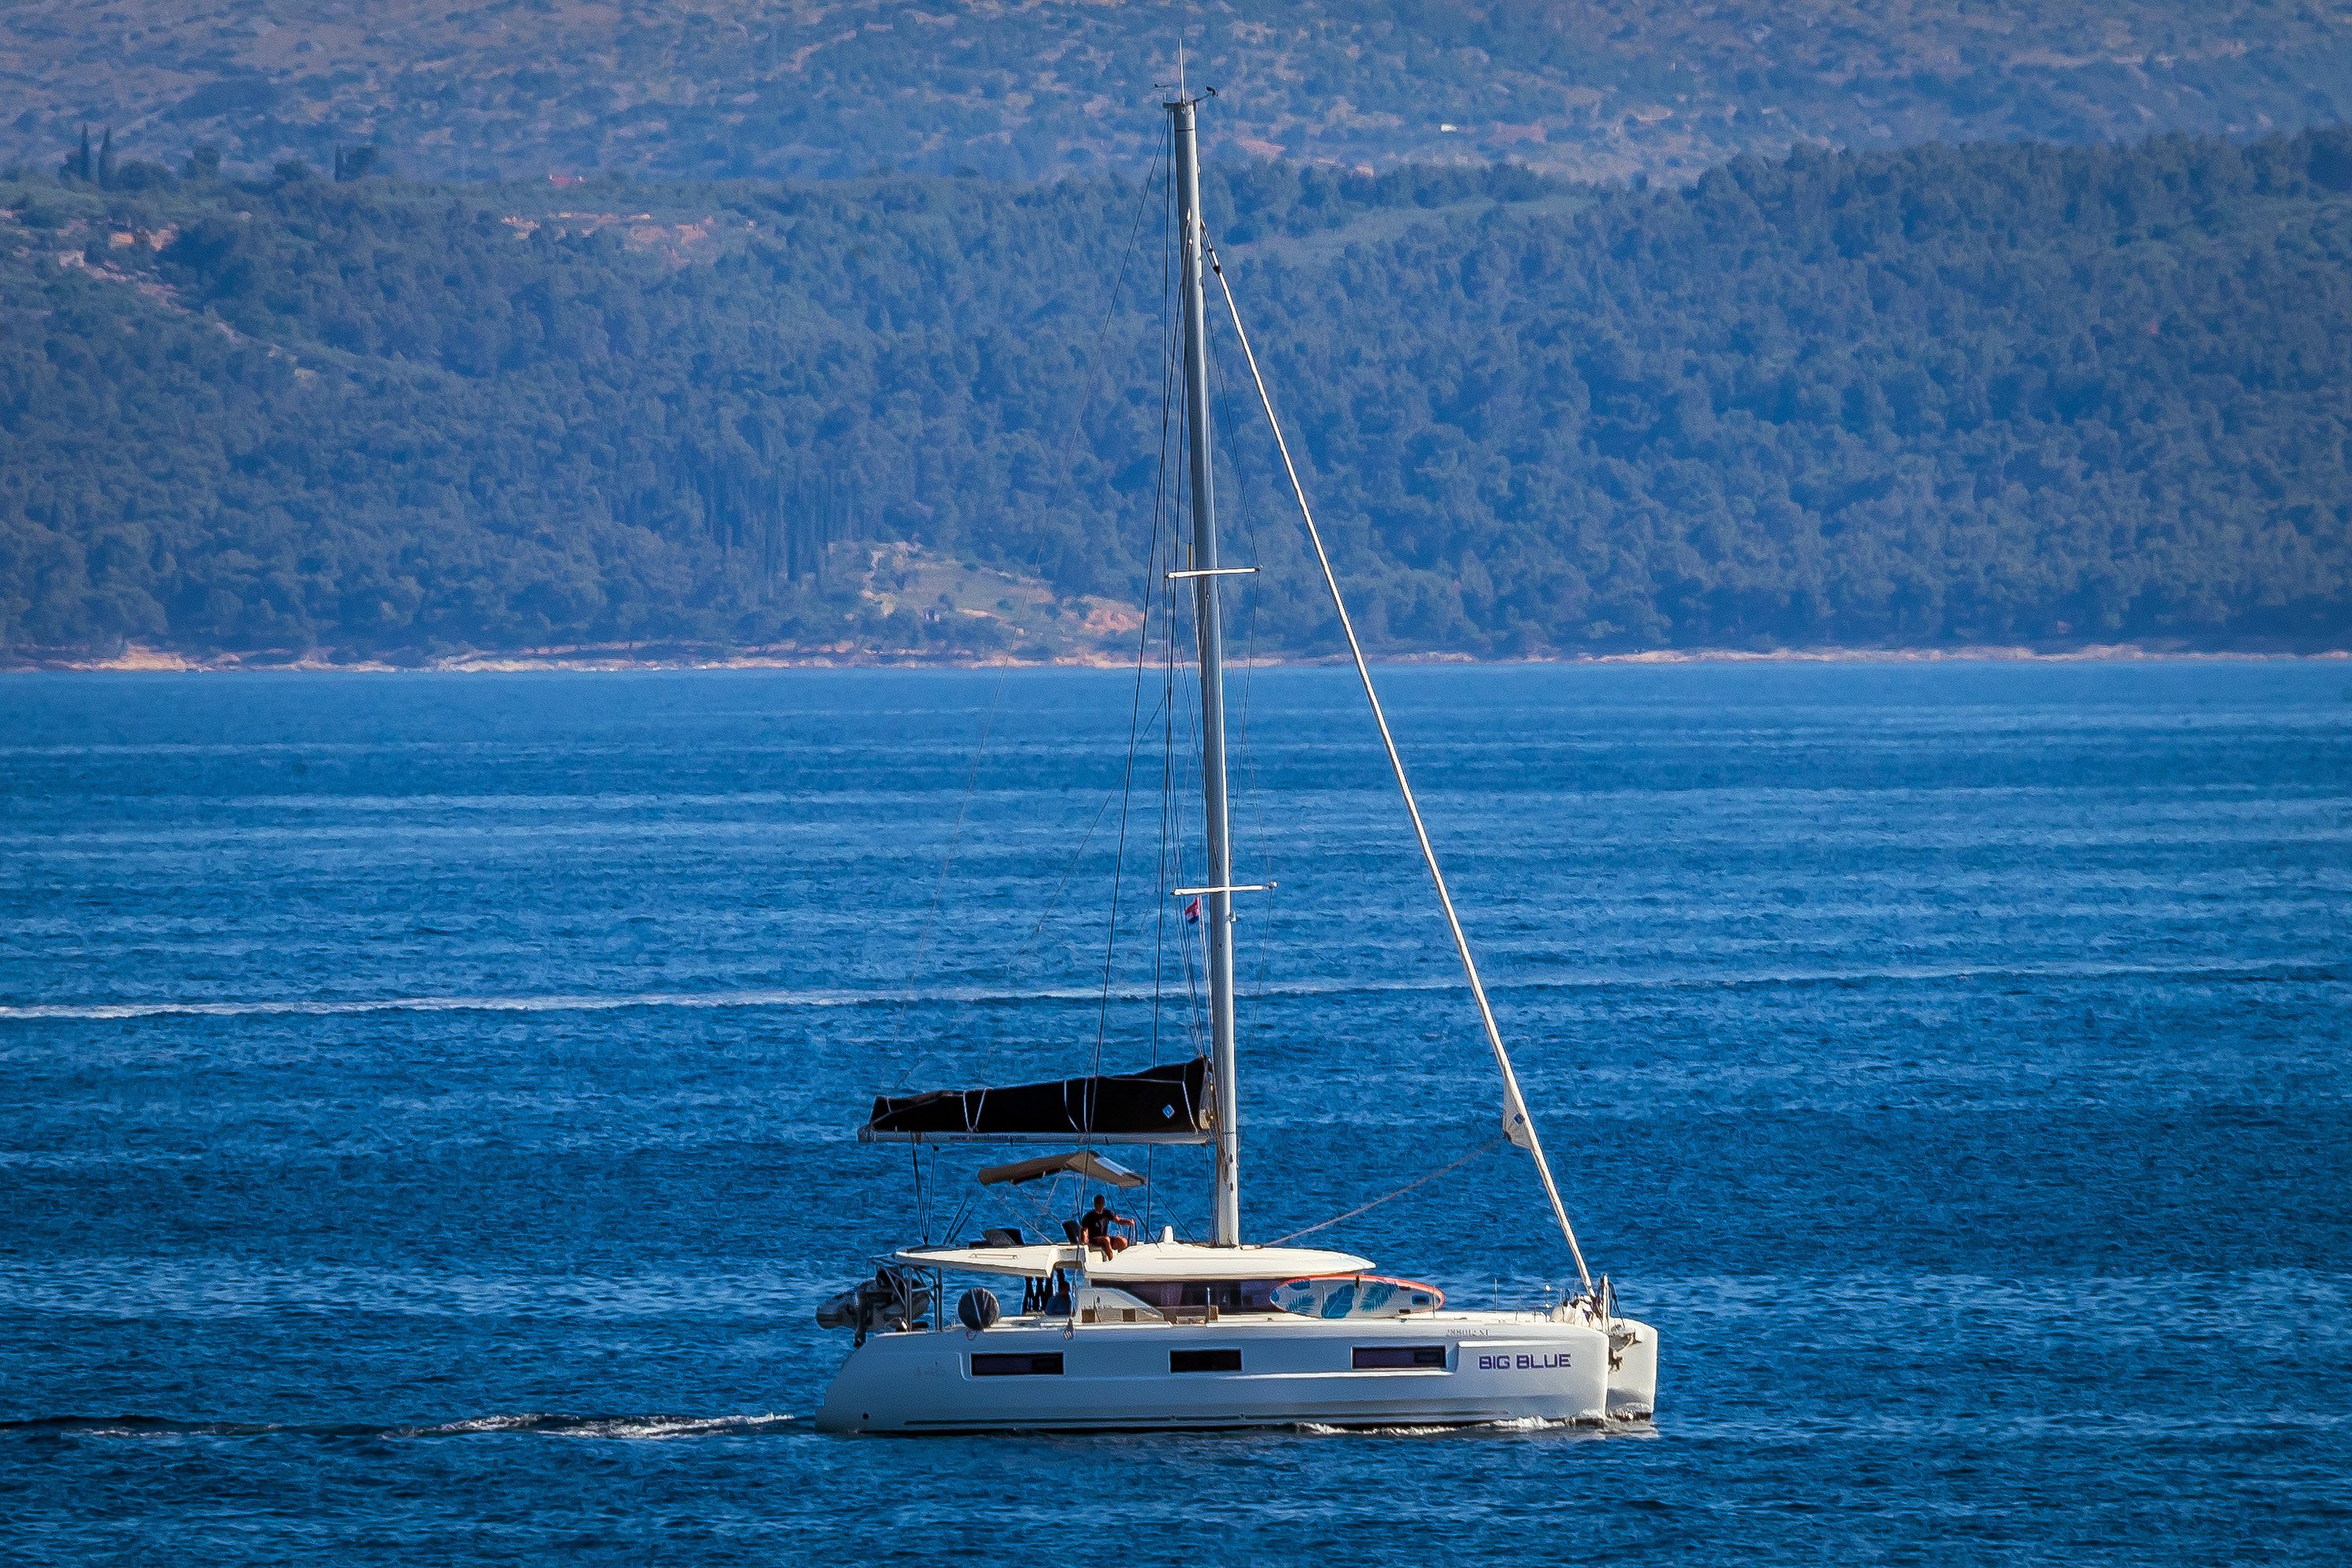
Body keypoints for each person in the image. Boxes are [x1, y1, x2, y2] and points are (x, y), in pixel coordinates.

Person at [1076, 1193, 1135, 1261]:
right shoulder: (1089, 1216)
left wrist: (1128, 1222)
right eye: (1099, 1204)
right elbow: (1084, 1230)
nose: (1101, 1206)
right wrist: (1085, 1241)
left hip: (1105, 1238)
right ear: (1095, 1205)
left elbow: (1119, 1220)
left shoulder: (1107, 1213)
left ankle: (1120, 1261)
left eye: (1102, 1204)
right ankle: (1111, 1262)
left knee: (1123, 1241)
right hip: (1094, 1240)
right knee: (1106, 1239)